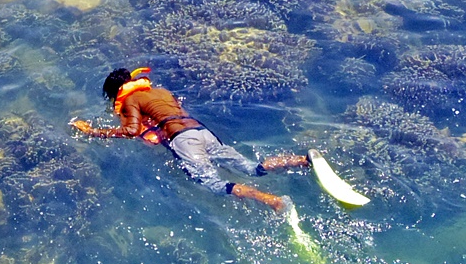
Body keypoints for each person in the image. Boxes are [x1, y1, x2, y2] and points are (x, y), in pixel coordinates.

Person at [69, 67, 309, 213]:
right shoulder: (160, 92)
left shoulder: (130, 101)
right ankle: (301, 160)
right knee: (252, 168)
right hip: (203, 132)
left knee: (213, 184)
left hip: (184, 141)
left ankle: (272, 201)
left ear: (117, 91)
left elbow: (132, 131)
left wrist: (93, 132)